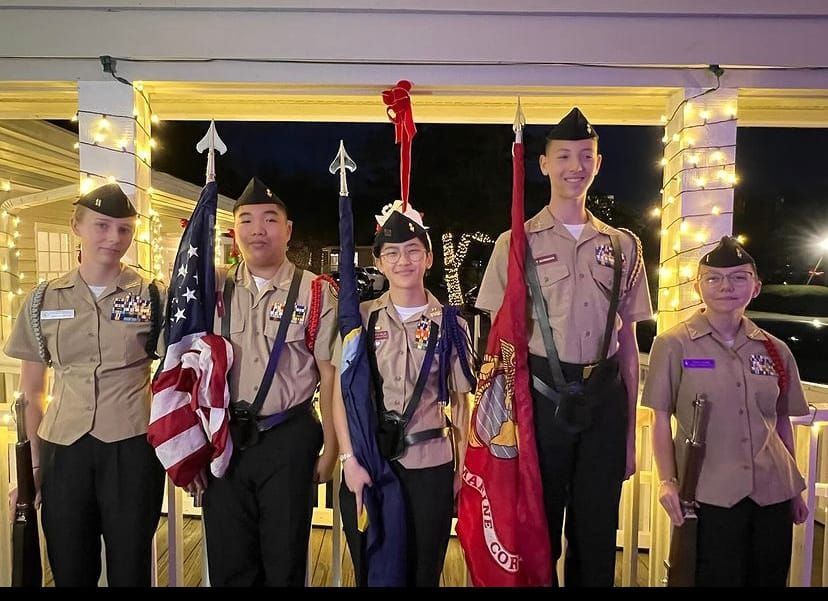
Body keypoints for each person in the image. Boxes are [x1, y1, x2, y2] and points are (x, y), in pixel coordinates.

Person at [475, 107, 652, 586]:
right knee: (537, 530)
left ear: (599, 163)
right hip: (540, 401)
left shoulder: (623, 246)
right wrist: (502, 426)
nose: (576, 166)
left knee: (597, 532)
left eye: (586, 156)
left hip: (604, 400)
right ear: (543, 164)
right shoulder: (516, 242)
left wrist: (629, 435)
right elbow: (499, 342)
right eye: (564, 156)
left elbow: (629, 345)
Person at [5, 182, 166, 586]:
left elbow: (179, 370)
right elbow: (32, 392)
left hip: (132, 446)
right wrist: (32, 466)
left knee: (131, 570)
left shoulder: (153, 296)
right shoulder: (43, 300)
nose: (114, 237)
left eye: (124, 229)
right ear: (76, 226)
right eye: (102, 225)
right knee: (70, 568)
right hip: (64, 450)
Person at [196, 176, 339, 587]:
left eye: (270, 219)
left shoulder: (315, 292)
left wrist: (331, 448)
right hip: (224, 439)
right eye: (247, 220)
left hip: (288, 439)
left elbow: (330, 376)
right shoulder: (210, 288)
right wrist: (190, 447)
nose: (258, 229)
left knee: (285, 560)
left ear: (288, 230)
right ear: (234, 229)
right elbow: (187, 368)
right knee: (229, 562)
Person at [643, 236, 809, 586]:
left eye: (738, 277)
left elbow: (781, 421)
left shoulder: (775, 349)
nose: (726, 286)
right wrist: (668, 481)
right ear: (697, 286)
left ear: (756, 286)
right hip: (710, 492)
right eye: (713, 278)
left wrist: (794, 490)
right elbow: (659, 417)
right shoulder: (673, 344)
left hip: (773, 491)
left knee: (769, 578)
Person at [333, 201, 474, 586]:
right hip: (370, 464)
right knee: (372, 570)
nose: (403, 261)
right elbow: (342, 395)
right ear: (379, 263)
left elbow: (462, 403)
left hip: (430, 465)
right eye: (392, 253)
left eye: (413, 250)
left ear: (429, 258)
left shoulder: (451, 324)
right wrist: (349, 460)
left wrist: (461, 471)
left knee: (423, 572)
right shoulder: (362, 319)